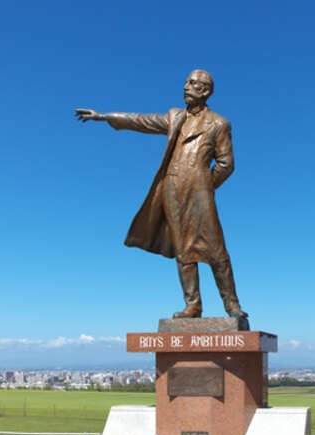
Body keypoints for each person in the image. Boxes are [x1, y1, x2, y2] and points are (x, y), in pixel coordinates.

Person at [75, 69, 247, 319]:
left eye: (192, 83)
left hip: (200, 193)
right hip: (172, 190)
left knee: (216, 249)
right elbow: (141, 121)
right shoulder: (175, 116)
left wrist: (204, 186)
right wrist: (104, 116)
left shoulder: (219, 124)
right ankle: (193, 304)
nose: (186, 87)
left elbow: (226, 164)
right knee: (183, 249)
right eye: (186, 82)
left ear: (205, 90)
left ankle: (232, 305)